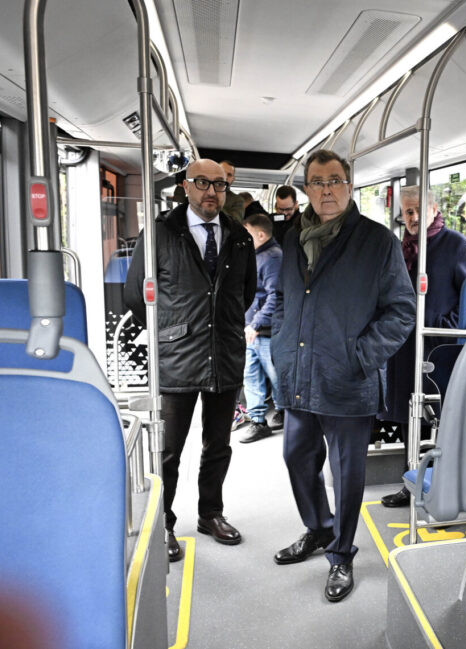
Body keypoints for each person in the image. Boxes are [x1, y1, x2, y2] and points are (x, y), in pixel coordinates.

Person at [270, 150, 414, 602]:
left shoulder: (376, 242)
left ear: (349, 187)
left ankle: (342, 554)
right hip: (300, 373)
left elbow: (402, 310)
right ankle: (318, 528)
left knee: (346, 472)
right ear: (306, 190)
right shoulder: (292, 239)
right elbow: (282, 298)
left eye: (335, 180)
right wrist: (279, 343)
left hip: (348, 379)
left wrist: (360, 356)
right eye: (317, 182)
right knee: (297, 457)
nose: (326, 189)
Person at [125, 158, 256, 562]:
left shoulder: (238, 236)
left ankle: (210, 513)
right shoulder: (161, 234)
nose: (211, 191)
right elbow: (135, 296)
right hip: (177, 356)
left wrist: (224, 327)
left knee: (218, 444)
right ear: (185, 186)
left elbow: (246, 293)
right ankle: (162, 521)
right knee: (169, 450)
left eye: (219, 185)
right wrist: (176, 325)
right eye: (202, 183)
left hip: (224, 356)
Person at [380, 186, 466, 508]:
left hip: (438, 348)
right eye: (406, 212)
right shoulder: (403, 247)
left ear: (434, 209)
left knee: (440, 419)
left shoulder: (457, 246)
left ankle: (441, 486)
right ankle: (410, 482)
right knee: (410, 417)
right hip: (404, 347)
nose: (411, 217)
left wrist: (444, 328)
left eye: (417, 211)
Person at [240, 212, 284, 444]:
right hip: (251, 328)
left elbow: (275, 296)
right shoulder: (257, 256)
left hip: (264, 330)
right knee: (251, 374)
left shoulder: (272, 258)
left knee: (274, 375)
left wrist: (256, 324)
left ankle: (284, 411)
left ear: (260, 234)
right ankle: (257, 419)